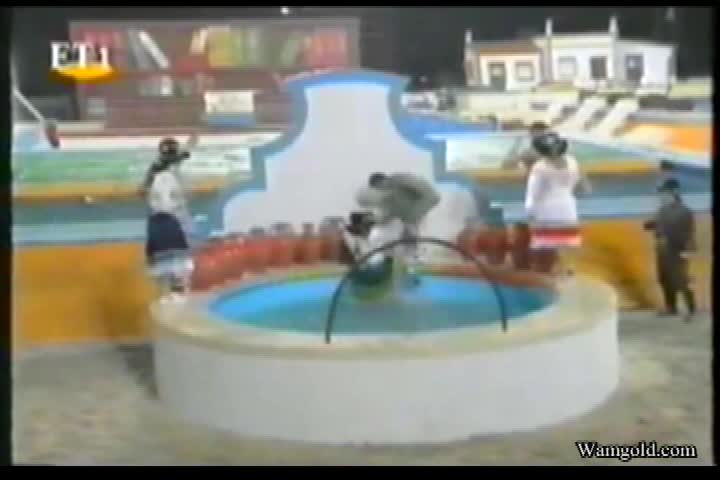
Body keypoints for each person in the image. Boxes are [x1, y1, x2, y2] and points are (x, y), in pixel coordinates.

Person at [524, 131, 591, 274]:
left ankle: (551, 271)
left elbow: (533, 193)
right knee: (569, 240)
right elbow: (585, 188)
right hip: (567, 205)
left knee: (547, 243)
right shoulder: (573, 162)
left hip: (546, 208)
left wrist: (530, 211)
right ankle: (570, 269)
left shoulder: (539, 167)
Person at [141, 134, 198, 301]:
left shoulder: (158, 170)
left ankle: (166, 293)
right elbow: (166, 203)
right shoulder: (165, 175)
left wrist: (191, 144)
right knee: (175, 262)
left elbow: (146, 191)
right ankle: (174, 292)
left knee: (163, 264)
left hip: (158, 221)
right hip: (168, 220)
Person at [358, 172, 441, 280]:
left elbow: (433, 197)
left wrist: (413, 217)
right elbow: (389, 213)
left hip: (416, 214)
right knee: (382, 238)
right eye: (378, 189)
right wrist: (375, 220)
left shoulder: (403, 181)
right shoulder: (387, 196)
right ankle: (387, 267)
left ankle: (414, 269)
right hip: (405, 218)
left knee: (411, 243)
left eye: (380, 186)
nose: (381, 189)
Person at [643, 178, 697, 321]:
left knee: (681, 279)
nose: (661, 196)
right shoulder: (661, 210)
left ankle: (690, 308)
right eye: (661, 193)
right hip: (662, 249)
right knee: (664, 278)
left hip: (676, 249)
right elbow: (657, 224)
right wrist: (650, 225)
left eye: (664, 193)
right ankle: (671, 307)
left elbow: (689, 232)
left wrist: (687, 250)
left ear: (674, 193)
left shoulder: (684, 211)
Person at [340, 209, 406, 301]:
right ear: (358, 225)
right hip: (363, 275)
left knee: (390, 257)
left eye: (371, 225)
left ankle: (393, 289)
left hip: (375, 274)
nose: (370, 227)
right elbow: (355, 258)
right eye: (367, 225)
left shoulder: (374, 237)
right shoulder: (351, 239)